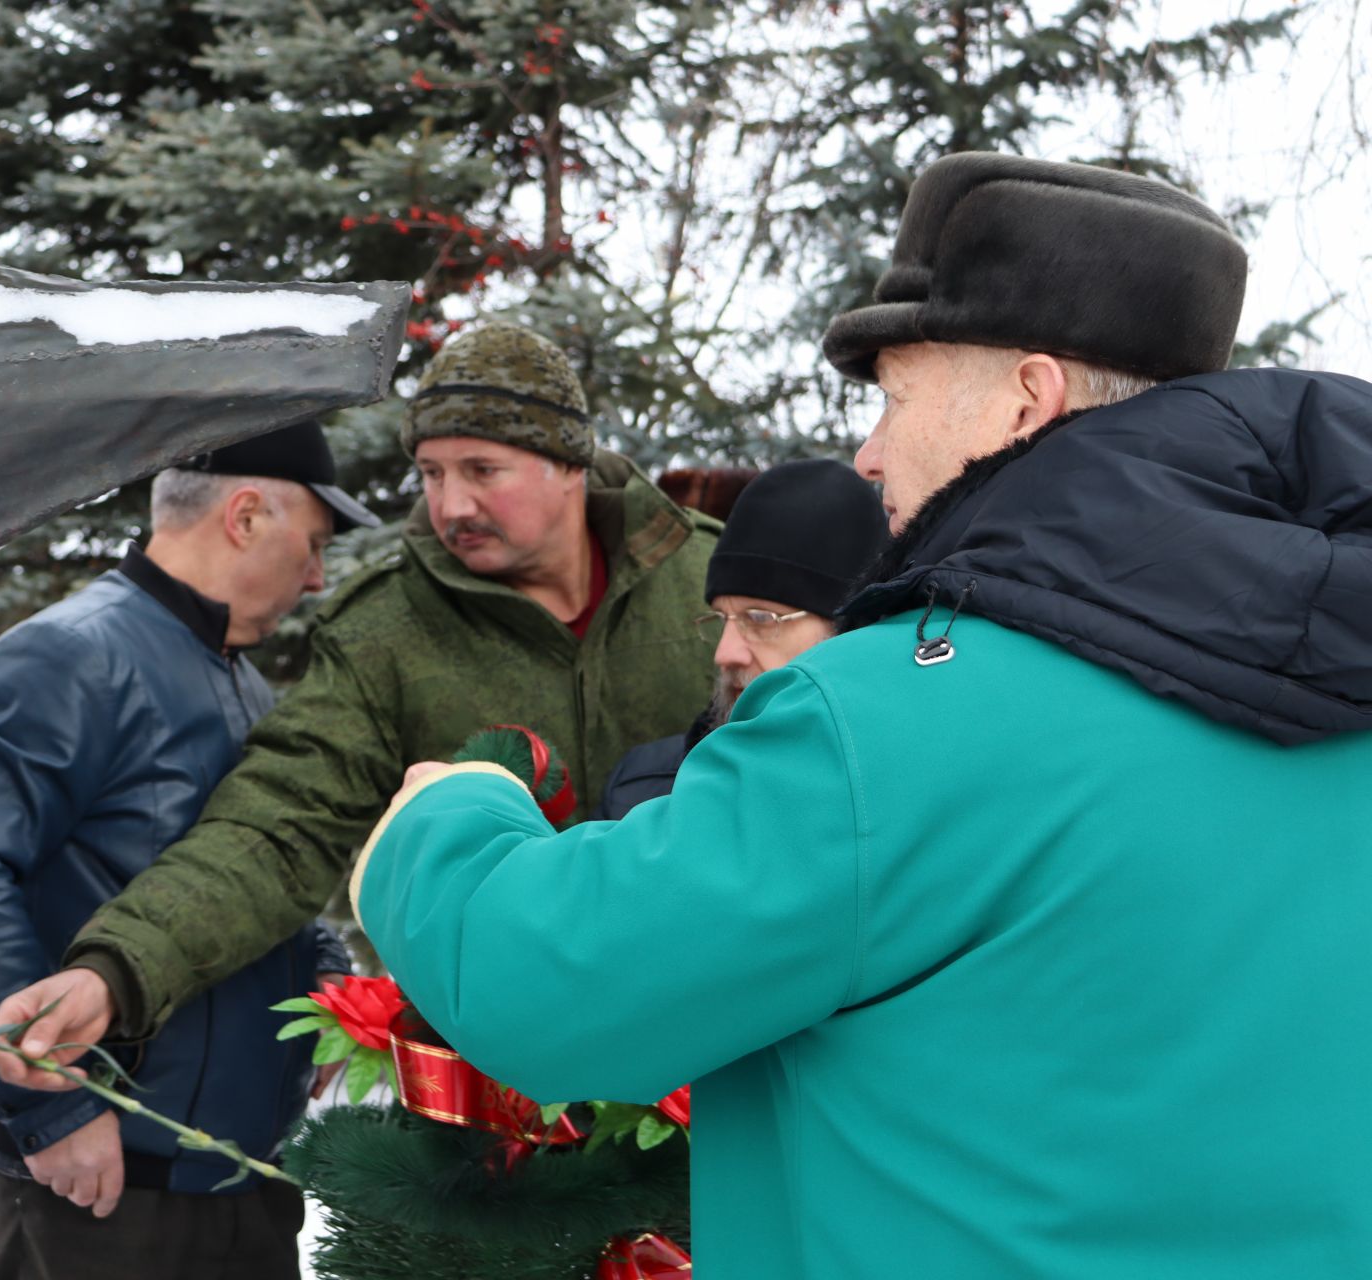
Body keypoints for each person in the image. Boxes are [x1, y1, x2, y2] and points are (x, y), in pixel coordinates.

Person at [344, 154, 1372, 1277]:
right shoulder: (1340, 687)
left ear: (1030, 398)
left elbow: (553, 983)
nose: (870, 452)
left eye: (895, 398)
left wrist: (448, 821)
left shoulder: (884, 716)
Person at [0, 319, 722, 1057]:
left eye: (481, 470)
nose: (452, 504)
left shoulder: (715, 587)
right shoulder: (387, 629)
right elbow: (280, 825)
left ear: (569, 463)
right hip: (485, 1077)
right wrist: (116, 970)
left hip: (712, 1046)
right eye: (432, 474)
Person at [0, 420, 375, 1280]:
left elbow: (232, 880)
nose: (317, 575)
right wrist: (49, 1114)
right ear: (248, 515)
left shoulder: (244, 681)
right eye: (314, 543)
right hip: (106, 1199)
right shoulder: (71, 655)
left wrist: (324, 975)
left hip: (235, 1192)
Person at [599, 458, 888, 817]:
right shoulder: (640, 792)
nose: (726, 653)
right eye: (722, 619)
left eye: (761, 619)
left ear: (847, 633)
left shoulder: (896, 809)